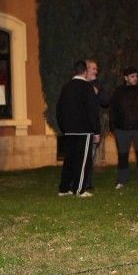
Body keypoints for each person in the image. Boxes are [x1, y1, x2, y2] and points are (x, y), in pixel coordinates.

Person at [57, 60, 101, 197]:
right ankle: (79, 189)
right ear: (85, 71)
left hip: (69, 130)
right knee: (83, 160)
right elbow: (92, 111)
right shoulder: (87, 87)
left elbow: (59, 110)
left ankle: (64, 188)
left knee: (69, 159)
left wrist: (64, 127)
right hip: (84, 129)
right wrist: (96, 131)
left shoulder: (66, 87)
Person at [111, 66, 138, 189]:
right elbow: (113, 110)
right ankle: (121, 180)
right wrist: (113, 127)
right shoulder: (118, 92)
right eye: (132, 76)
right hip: (121, 129)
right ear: (126, 78)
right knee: (122, 155)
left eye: (136, 76)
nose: (135, 78)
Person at [84, 59, 109, 189]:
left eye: (96, 69)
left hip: (92, 125)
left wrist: (97, 91)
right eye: (94, 68)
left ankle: (87, 183)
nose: (96, 71)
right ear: (86, 69)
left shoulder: (97, 85)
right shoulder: (78, 83)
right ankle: (76, 181)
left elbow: (106, 101)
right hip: (79, 125)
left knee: (90, 155)